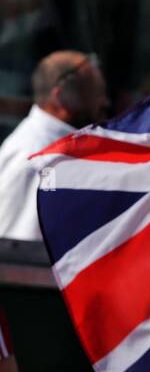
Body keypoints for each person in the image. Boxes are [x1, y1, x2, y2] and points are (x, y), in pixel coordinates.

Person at [0, 51, 109, 241]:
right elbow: (21, 253)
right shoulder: (40, 161)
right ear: (61, 99)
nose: (104, 102)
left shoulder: (54, 151)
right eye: (94, 95)